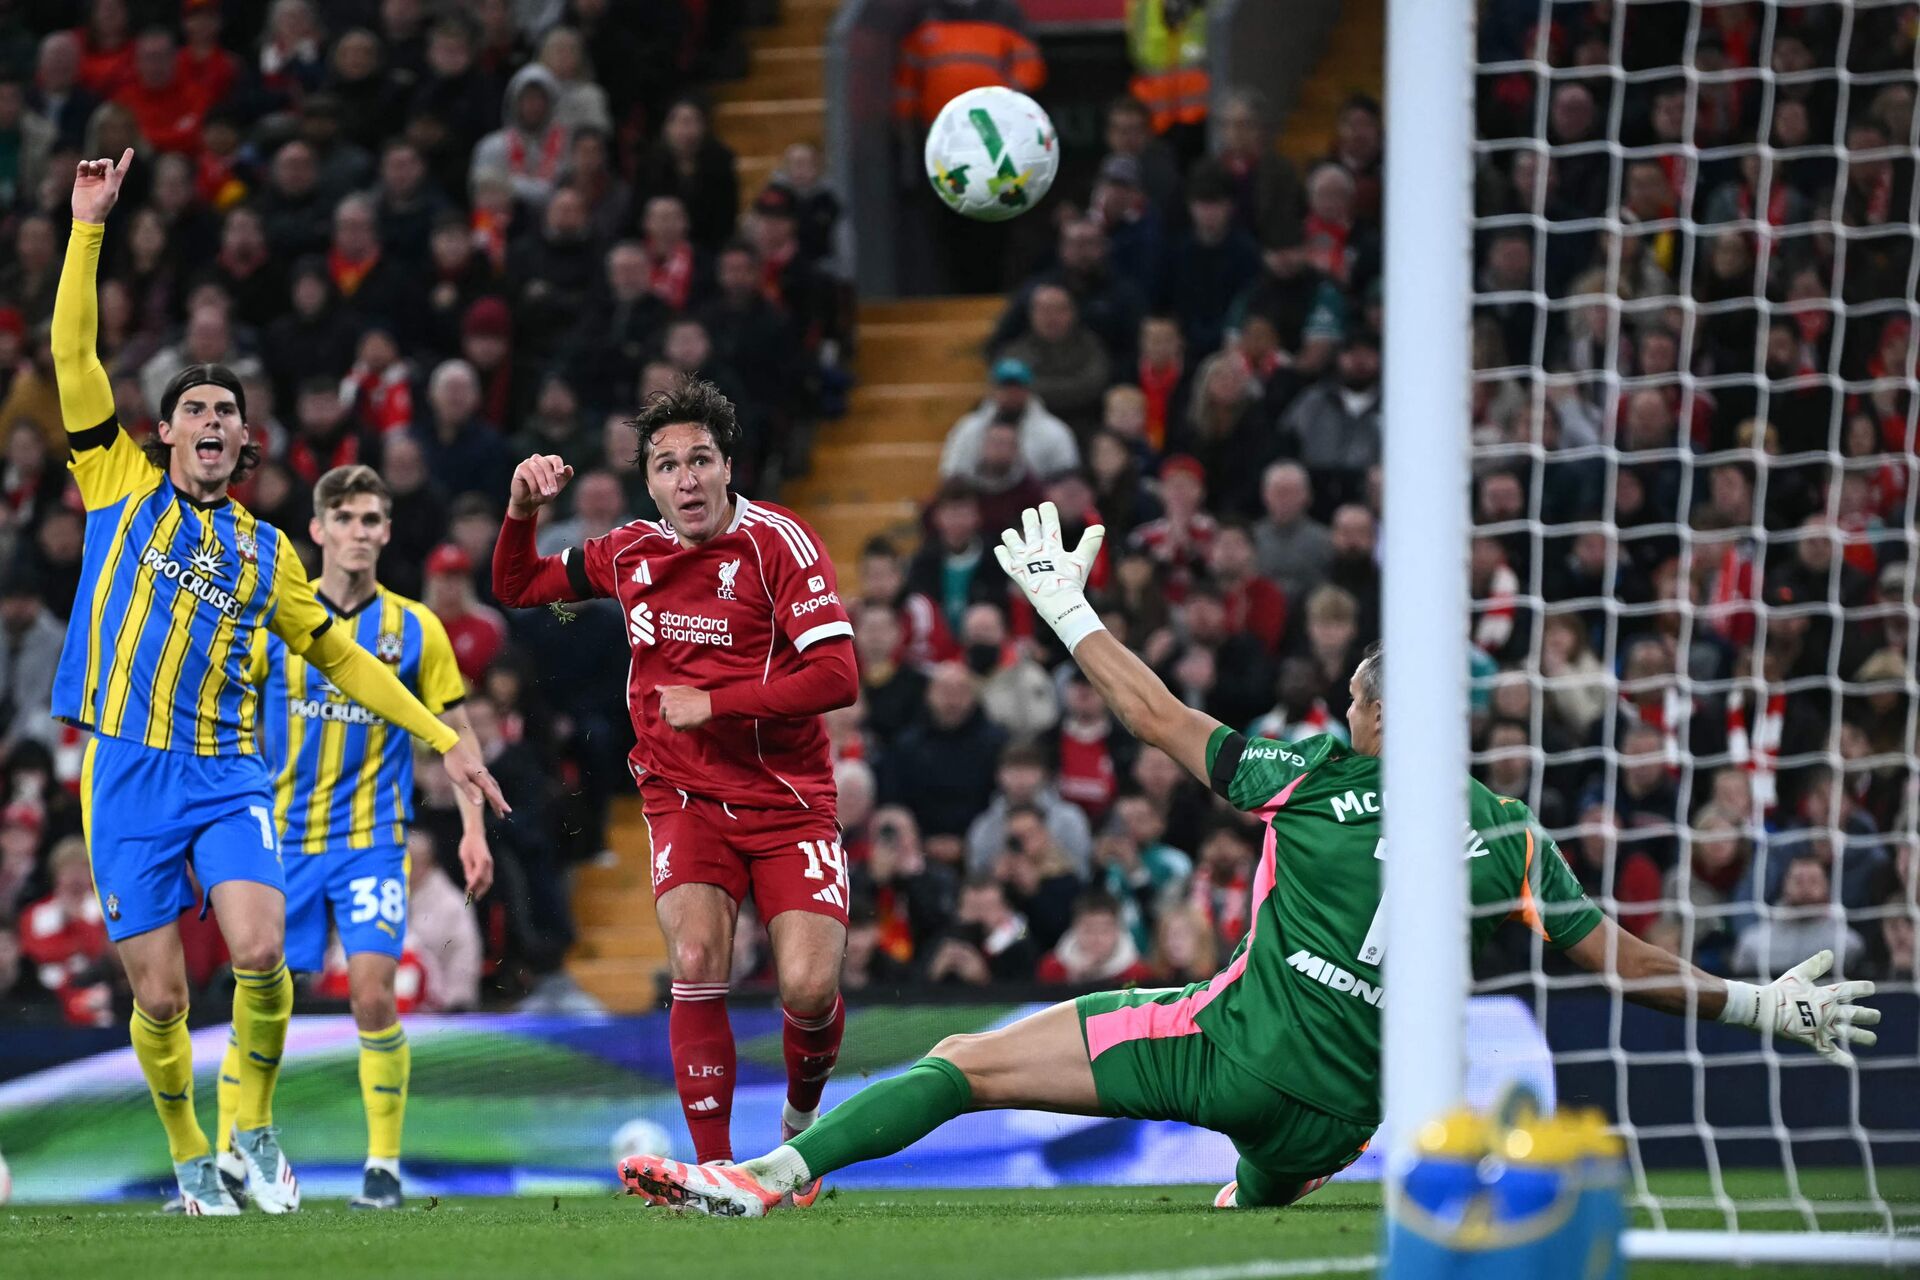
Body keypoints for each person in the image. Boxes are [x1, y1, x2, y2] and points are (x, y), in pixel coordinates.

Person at [618, 503, 1879, 1217]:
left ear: (1375, 714)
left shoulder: (1315, 778)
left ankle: (774, 1169)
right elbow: (1628, 964)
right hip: (1349, 1116)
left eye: (1354, 696)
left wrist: (1067, 608)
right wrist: (1761, 999)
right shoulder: (1510, 831)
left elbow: (1160, 718)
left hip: (1226, 1052)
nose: (1344, 708)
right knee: (1259, 1190)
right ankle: (1254, 1194)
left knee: (966, 1061)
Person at [50, 151, 505, 1216]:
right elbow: (71, 346)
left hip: (224, 771)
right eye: (194, 408)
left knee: (260, 951)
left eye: (226, 412)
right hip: (123, 769)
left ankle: (252, 1129)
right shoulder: (114, 482)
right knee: (160, 998)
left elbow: (344, 654)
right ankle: (190, 1155)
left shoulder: (267, 554)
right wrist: (87, 227)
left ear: (246, 441)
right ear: (164, 432)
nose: (210, 421)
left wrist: (444, 736)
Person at [492, 376, 858, 1197]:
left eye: (700, 460)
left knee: (807, 987)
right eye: (666, 465)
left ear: (729, 467)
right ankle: (718, 1171)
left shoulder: (779, 545)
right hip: (682, 794)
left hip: (787, 799)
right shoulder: (630, 552)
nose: (685, 479)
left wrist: (715, 702)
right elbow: (517, 588)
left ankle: (799, 1130)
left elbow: (837, 674)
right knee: (694, 958)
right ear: (649, 481)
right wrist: (521, 513)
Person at [229, 465, 494, 1212]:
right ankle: (233, 1152)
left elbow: (456, 732)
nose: (359, 533)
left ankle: (382, 1168)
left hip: (374, 840)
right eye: (345, 519)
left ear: (385, 532)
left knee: (374, 993)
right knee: (262, 998)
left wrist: (473, 829)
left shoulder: (416, 629)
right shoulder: (277, 620)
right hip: (280, 841)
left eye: (373, 520)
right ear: (317, 530)